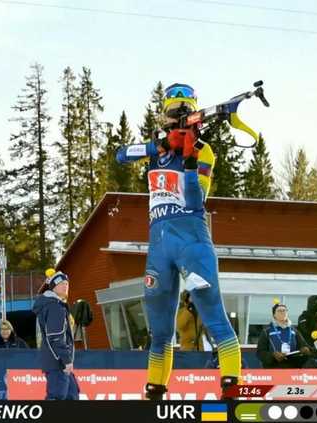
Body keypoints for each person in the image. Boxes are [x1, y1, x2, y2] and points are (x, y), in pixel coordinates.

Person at [116, 83, 241, 399]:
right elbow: (120, 155)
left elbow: (197, 201)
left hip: (191, 240)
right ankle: (155, 390)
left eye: (183, 114)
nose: (177, 121)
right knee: (159, 330)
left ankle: (232, 386)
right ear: (164, 117)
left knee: (213, 316)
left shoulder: (203, 150)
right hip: (158, 247)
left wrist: (189, 163)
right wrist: (157, 145)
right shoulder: (156, 151)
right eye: (173, 115)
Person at [33, 269, 79, 400]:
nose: (65, 286)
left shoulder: (57, 305)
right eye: (61, 284)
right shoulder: (54, 307)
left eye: (67, 284)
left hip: (58, 361)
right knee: (57, 396)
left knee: (72, 395)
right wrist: (66, 360)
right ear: (53, 287)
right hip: (57, 361)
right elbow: (55, 336)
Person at [256, 302, 311, 369]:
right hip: (273, 368)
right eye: (279, 311)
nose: (282, 312)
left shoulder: (294, 331)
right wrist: (273, 356)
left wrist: (305, 350)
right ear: (274, 315)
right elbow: (260, 352)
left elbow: (304, 347)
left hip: (292, 368)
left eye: (284, 310)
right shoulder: (267, 331)